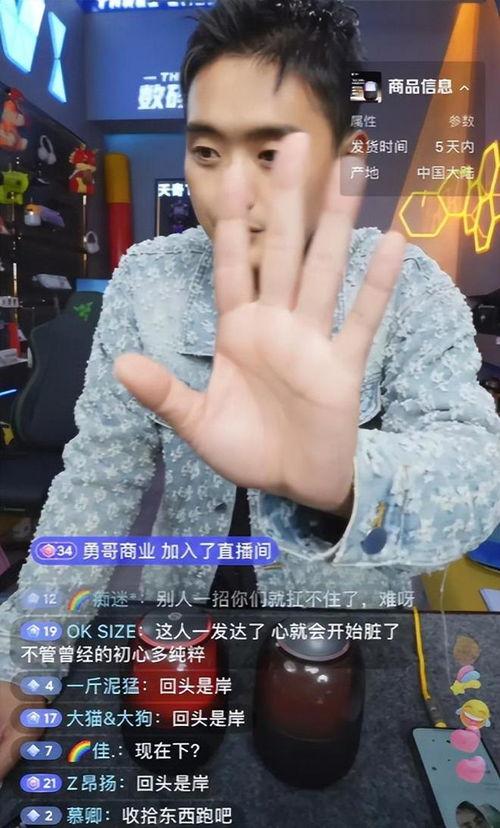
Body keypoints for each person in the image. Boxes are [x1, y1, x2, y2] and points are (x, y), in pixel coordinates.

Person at [1, 0, 499, 782]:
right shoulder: (149, 280)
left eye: (271, 153)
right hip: (181, 623)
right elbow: (98, 479)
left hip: (334, 637)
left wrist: (345, 479)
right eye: (207, 151)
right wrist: (25, 656)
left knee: (316, 782)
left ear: (348, 157)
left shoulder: (405, 287)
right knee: (167, 777)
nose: (231, 192)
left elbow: (477, 484)